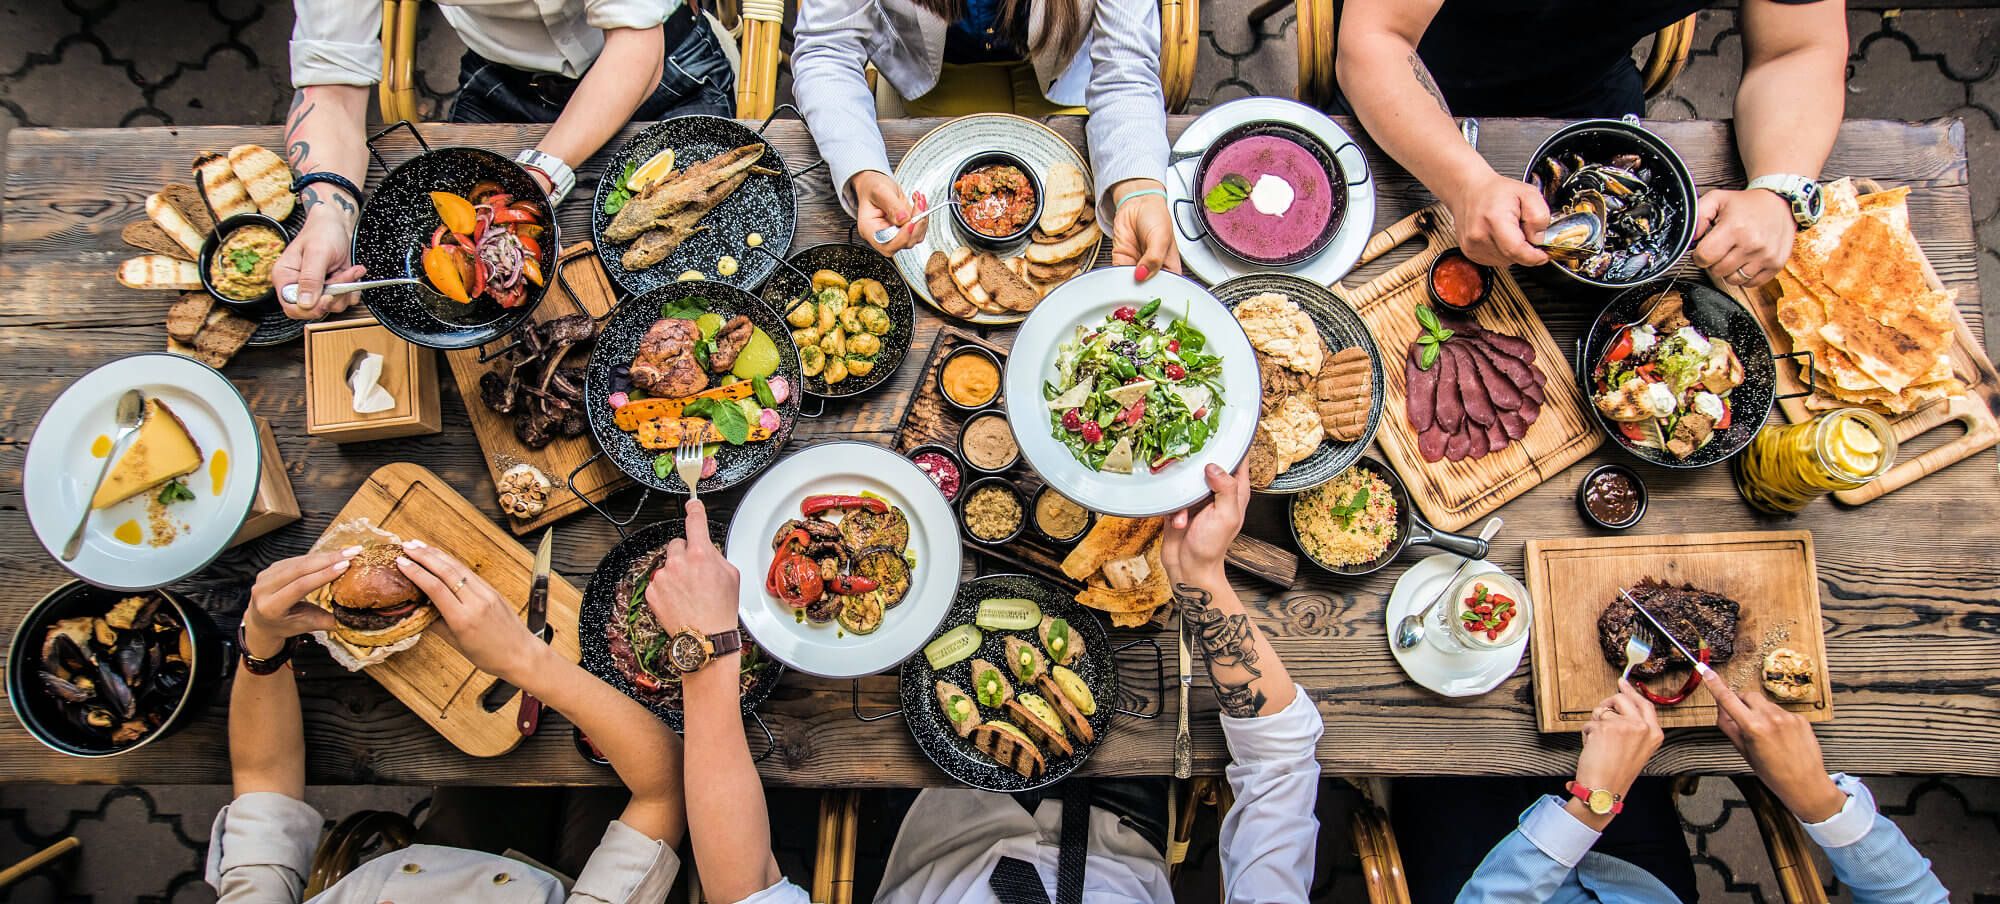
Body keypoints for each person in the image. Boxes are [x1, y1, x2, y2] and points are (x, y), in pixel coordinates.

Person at [646, 464, 1321, 903]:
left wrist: (706, 653)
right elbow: (1282, 761)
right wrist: (1202, 578)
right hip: (1124, 821)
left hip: (938, 821)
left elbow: (743, 888)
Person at [205, 542, 687, 903]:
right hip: (585, 878)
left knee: (488, 786)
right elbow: (663, 788)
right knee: (596, 787)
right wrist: (523, 659)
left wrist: (262, 644)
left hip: (433, 858)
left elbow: (262, 778)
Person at [1335, 0, 1847, 288]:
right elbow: (1375, 41)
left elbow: (1797, 48)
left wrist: (1780, 188)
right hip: (1414, 84)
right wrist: (1466, 182)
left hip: (1588, 89)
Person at [276, 0, 737, 319]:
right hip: (504, 82)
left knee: (690, 279)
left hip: (659, 64)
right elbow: (329, 86)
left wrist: (537, 176)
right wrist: (327, 216)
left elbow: (637, 48)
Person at [1398, 672, 1949, 903]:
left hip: (1484, 883)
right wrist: (1816, 800)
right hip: (1639, 884)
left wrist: (1591, 808)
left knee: (1433, 745)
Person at [791, 0, 1182, 280]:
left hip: (1061, 78)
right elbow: (827, 48)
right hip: (930, 79)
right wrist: (863, 170)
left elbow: (1125, 71)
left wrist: (1137, 190)